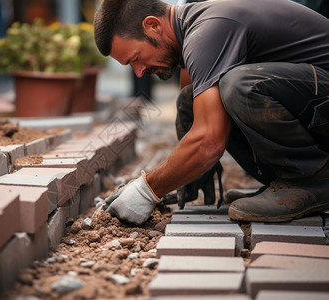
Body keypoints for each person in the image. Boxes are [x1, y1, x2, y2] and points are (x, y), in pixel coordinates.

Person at [93, 0, 329, 225]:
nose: (139, 72)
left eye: (136, 59)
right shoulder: (192, 31)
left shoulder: (207, 31)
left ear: (153, 26)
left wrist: (146, 190)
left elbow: (208, 141)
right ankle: (285, 181)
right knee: (189, 100)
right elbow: (196, 115)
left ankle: (311, 180)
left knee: (240, 85)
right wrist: (188, 170)